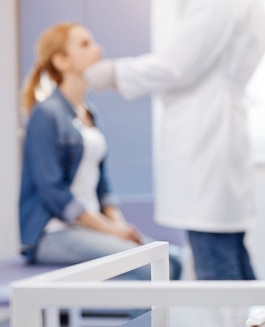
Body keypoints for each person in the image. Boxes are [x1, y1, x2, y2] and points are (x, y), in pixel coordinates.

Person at [84, 0, 265, 281]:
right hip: (219, 135)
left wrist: (115, 73)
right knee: (230, 254)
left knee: (216, 260)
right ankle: (248, 325)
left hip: (207, 139)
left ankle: (229, 326)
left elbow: (177, 65)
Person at [19, 22, 182, 281]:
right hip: (54, 233)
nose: (98, 49)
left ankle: (154, 323)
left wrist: (117, 225)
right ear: (61, 60)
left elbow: (102, 185)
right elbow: (53, 193)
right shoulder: (46, 114)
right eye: (85, 44)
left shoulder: (90, 114)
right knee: (152, 268)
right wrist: (110, 230)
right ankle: (147, 324)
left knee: (173, 260)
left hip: (90, 228)